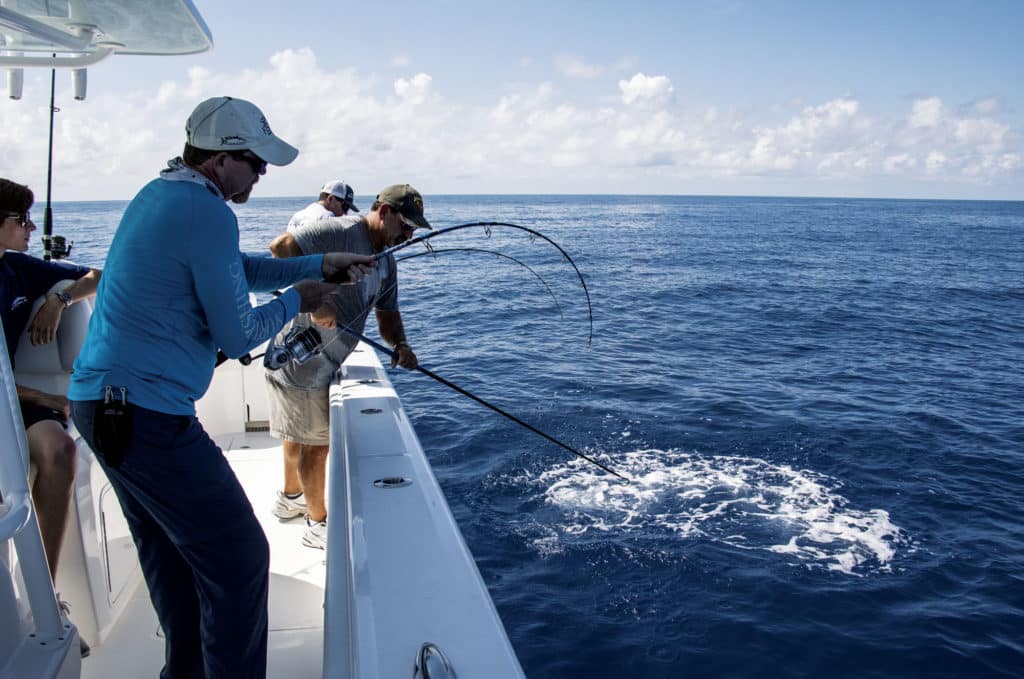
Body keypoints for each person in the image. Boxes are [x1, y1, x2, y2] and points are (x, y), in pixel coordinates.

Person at [67, 96, 377, 679]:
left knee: (173, 559)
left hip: (104, 407)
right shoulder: (206, 210)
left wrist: (321, 264)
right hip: (144, 417)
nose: (262, 175)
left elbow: (237, 267)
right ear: (220, 160)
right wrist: (301, 300)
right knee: (238, 557)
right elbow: (238, 336)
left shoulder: (163, 197)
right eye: (256, 163)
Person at [265, 184, 431, 549]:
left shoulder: (387, 261)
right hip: (301, 356)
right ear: (383, 211)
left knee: (297, 433)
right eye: (405, 225)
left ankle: (291, 500)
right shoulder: (341, 231)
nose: (409, 234)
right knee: (316, 445)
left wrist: (400, 344)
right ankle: (317, 523)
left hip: (327, 359)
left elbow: (388, 314)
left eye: (414, 229)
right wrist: (313, 303)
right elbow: (281, 247)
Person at [1, 177, 101, 657]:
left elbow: (99, 275)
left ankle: (48, 599)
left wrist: (59, 300)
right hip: (14, 393)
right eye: (20, 220)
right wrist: (40, 392)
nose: (28, 228)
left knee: (60, 451)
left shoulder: (18, 269)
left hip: (12, 401)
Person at [287, 180, 360, 229]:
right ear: (331, 199)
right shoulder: (327, 219)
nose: (345, 213)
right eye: (345, 207)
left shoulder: (296, 216)